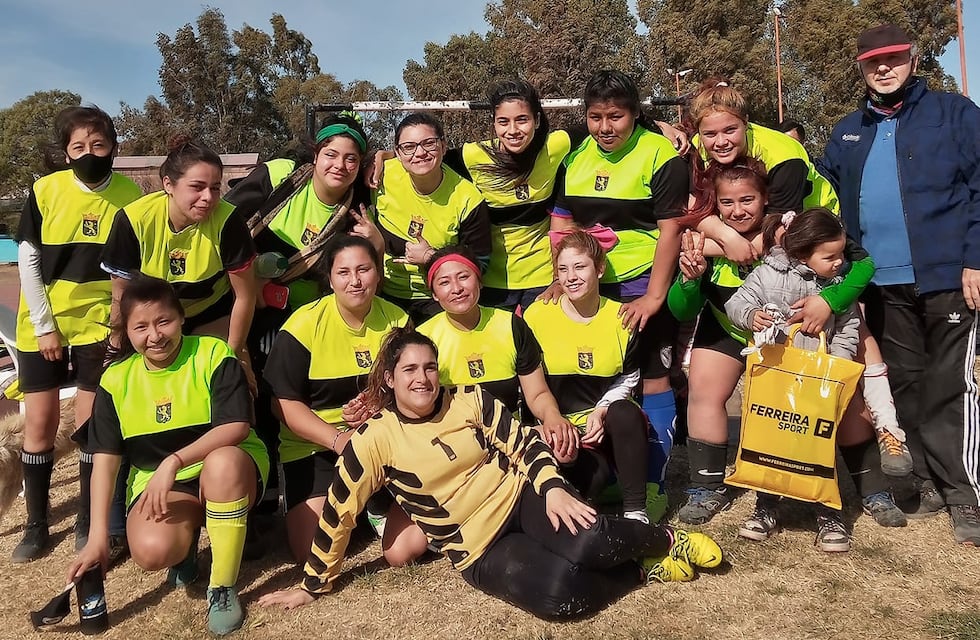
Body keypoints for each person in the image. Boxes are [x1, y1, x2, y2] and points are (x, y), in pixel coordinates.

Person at [256, 327, 723, 619]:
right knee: (561, 596)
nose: (422, 378)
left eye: (430, 368)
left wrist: (555, 488)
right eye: (410, 370)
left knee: (589, 541)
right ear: (389, 379)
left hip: (520, 496)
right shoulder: (372, 441)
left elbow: (522, 443)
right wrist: (312, 585)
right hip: (477, 545)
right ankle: (642, 572)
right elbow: (339, 512)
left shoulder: (468, 400)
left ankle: (665, 541)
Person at [817, 23, 980, 545]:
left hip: (949, 276)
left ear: (913, 60)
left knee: (951, 385)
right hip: (880, 283)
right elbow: (821, 194)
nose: (883, 69)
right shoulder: (847, 130)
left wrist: (975, 259)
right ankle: (927, 483)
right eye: (872, 62)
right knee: (904, 384)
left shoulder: (955, 114)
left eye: (893, 59)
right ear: (861, 68)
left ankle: (964, 495)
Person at [369, 79, 689, 313]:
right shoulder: (474, 156)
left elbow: (608, 117)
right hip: (492, 283)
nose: (513, 130)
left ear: (536, 120)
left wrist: (659, 125)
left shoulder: (556, 146)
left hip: (543, 281)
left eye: (522, 120)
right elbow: (426, 154)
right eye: (503, 122)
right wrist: (384, 155)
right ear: (493, 125)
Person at [66, 276, 269, 635]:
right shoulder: (115, 380)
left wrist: (173, 461)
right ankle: (185, 549)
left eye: (164, 321)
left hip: (230, 470)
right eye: (141, 327)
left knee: (222, 462)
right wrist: (98, 534)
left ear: (181, 318)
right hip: (161, 483)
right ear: (126, 332)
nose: (155, 335)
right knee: (150, 551)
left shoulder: (212, 354)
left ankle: (222, 586)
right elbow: (106, 462)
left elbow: (236, 426)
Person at [722, 208, 906, 548]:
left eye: (840, 255)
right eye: (830, 256)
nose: (839, 263)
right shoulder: (767, 276)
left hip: (820, 383)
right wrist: (752, 316)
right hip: (775, 376)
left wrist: (836, 362)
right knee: (771, 442)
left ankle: (828, 512)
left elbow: (849, 327)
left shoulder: (838, 287)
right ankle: (766, 507)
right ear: (802, 251)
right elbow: (736, 303)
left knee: (820, 446)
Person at [552, 70, 688, 511]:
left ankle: (652, 483)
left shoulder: (659, 153)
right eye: (595, 117)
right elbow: (561, 224)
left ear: (634, 115)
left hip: (641, 284)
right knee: (597, 376)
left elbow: (671, 231)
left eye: (616, 116)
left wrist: (653, 296)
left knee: (652, 377)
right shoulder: (574, 157)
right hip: (591, 288)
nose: (605, 127)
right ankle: (606, 471)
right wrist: (561, 277)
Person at [12, 106, 142, 563]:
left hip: (99, 326)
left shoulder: (130, 195)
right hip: (44, 324)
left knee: (89, 428)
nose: (89, 154)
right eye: (78, 147)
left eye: (99, 145)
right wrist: (46, 327)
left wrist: (118, 321)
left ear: (113, 148)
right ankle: (35, 523)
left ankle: (88, 520)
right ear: (66, 153)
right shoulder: (45, 190)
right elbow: (29, 261)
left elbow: (129, 264)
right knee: (41, 426)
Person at [263, 235, 409, 563]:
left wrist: (379, 409)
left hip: (380, 442)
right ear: (329, 279)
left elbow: (412, 390)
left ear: (378, 273)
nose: (355, 280)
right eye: (343, 272)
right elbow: (281, 404)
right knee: (312, 553)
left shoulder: (398, 320)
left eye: (364, 269)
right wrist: (339, 440)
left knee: (412, 543)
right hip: (315, 447)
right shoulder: (303, 325)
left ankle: (372, 502)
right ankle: (357, 503)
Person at [525, 231, 664, 523]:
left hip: (606, 428)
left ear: (599, 269)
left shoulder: (622, 318)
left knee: (626, 413)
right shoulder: (537, 316)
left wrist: (602, 410)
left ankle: (636, 511)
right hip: (560, 430)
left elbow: (629, 377)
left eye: (580, 267)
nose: (571, 277)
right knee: (594, 480)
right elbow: (528, 380)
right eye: (563, 269)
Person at [101, 136, 258, 390]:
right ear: (168, 184)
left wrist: (234, 353)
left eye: (215, 188)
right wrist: (115, 348)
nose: (208, 197)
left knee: (234, 386)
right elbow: (121, 296)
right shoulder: (133, 219)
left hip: (210, 314)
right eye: (197, 186)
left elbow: (245, 296)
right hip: (155, 321)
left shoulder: (228, 220)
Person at [418, 245, 578, 457]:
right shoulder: (423, 339)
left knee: (564, 446)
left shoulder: (511, 325)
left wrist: (553, 417)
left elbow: (537, 393)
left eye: (464, 277)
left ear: (480, 281)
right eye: (444, 282)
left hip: (509, 433)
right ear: (435, 295)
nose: (456, 288)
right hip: (454, 440)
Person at [225, 112, 382, 313]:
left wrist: (377, 244)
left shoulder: (358, 214)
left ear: (360, 165)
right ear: (316, 155)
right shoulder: (282, 175)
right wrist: (247, 282)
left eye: (351, 159)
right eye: (330, 154)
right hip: (236, 296)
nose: (340, 166)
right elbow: (222, 220)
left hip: (300, 315)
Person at [373, 113, 492, 323]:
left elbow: (479, 264)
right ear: (398, 154)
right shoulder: (380, 176)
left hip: (438, 300)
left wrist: (430, 257)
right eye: (409, 147)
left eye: (429, 143)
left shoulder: (468, 199)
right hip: (382, 293)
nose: (420, 153)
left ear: (444, 147)